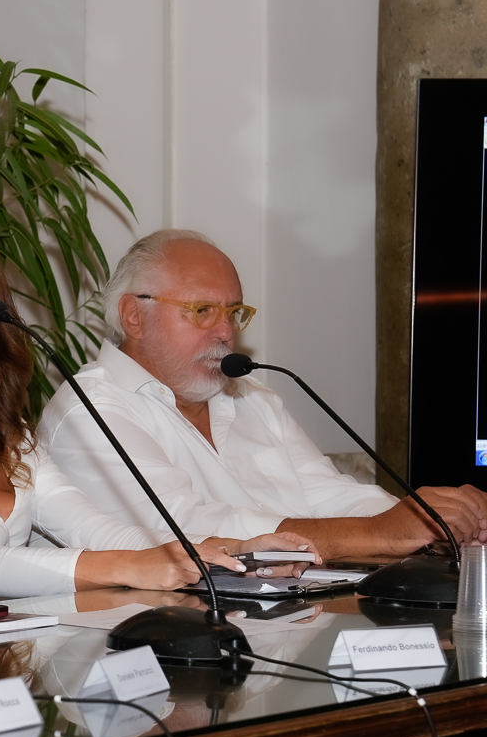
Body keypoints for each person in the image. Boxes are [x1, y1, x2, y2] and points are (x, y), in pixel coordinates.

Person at [0, 236, 301, 604]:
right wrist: (133, 567)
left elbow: (94, 529)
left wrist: (227, 550)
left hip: (12, 661)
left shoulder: (9, 436)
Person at [37, 229, 487, 558]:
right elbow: (185, 529)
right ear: (134, 316)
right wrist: (382, 534)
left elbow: (328, 494)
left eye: (233, 312)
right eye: (202, 310)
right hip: (161, 645)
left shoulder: (251, 396)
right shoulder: (88, 411)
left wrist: (430, 523)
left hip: (284, 626)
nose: (225, 331)